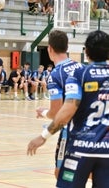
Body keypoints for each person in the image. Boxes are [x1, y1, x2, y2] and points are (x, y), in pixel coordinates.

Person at [27, 30, 109, 187]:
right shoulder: (78, 68)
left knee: (62, 177)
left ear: (87, 51)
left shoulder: (80, 73)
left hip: (81, 146)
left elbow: (67, 110)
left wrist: (43, 135)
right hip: (107, 150)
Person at [32, 30, 85, 178]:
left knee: (61, 172)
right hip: (91, 127)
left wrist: (43, 112)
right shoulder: (81, 67)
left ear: (50, 49)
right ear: (67, 47)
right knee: (83, 169)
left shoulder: (55, 74)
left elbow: (55, 113)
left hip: (71, 128)